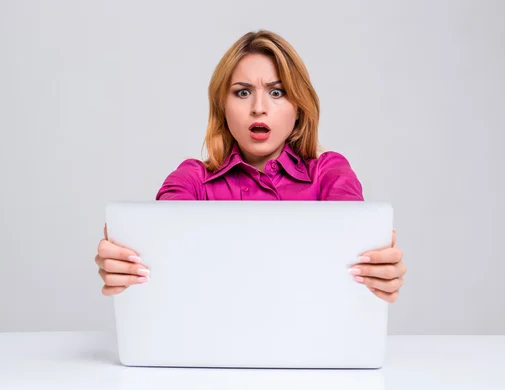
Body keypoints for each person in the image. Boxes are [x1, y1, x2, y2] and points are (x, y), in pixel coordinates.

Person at [95, 30, 406, 303]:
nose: (259, 108)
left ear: (298, 108)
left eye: (277, 92)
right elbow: (160, 255)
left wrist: (379, 273)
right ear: (223, 107)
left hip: (311, 350)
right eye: (242, 92)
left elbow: (354, 258)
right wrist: (127, 262)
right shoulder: (192, 180)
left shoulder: (329, 173)